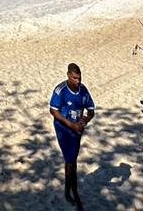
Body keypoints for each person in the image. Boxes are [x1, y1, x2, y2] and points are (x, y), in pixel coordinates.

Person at [50, 63, 95, 207]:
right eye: (75, 78)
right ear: (68, 76)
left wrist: (85, 120)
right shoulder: (61, 90)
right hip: (63, 129)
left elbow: (91, 110)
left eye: (79, 78)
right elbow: (53, 111)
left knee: (72, 160)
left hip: (77, 130)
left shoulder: (83, 90)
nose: (78, 81)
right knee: (70, 160)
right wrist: (70, 124)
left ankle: (68, 189)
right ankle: (73, 192)